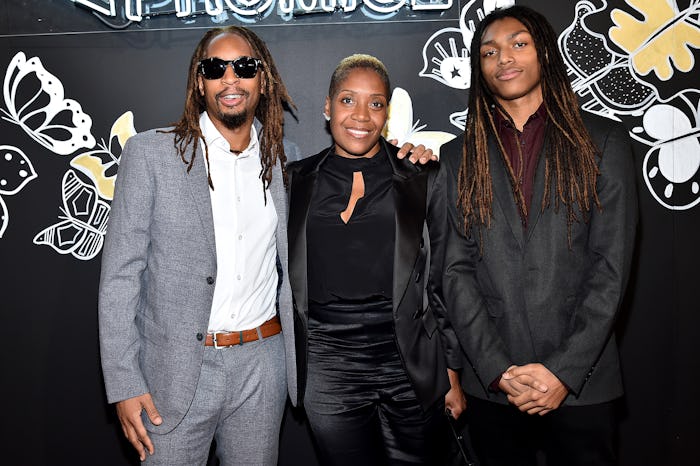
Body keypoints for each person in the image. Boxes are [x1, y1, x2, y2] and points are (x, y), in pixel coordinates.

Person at [98, 26, 432, 465]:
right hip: (175, 371)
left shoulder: (285, 161)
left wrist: (405, 155)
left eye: (245, 67)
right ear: (200, 82)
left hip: (263, 366)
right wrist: (124, 384)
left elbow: (359, 166)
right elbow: (121, 277)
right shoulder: (150, 154)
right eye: (216, 68)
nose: (231, 79)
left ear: (263, 79)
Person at [438, 5, 638, 466]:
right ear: (479, 68)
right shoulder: (456, 157)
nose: (504, 58)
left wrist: (563, 372)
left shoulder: (604, 143)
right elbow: (455, 269)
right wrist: (497, 370)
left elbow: (611, 269)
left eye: (518, 44)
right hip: (494, 386)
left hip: (581, 383)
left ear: (545, 53)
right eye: (489, 51)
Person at [287, 54, 466, 466]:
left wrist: (451, 372)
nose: (362, 116)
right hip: (328, 362)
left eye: (376, 103)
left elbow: (446, 278)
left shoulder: (422, 176)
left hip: (408, 358)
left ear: (387, 112)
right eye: (348, 100)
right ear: (328, 106)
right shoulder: (292, 180)